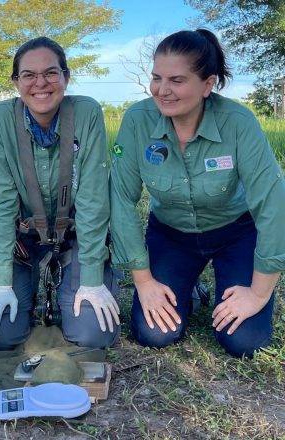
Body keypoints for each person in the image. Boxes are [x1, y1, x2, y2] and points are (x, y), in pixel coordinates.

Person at [110, 29, 285, 357]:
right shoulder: (137, 121)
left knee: (244, 341)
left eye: (177, 80)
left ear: (208, 85)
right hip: (171, 235)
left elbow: (273, 205)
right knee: (154, 333)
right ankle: (187, 289)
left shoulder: (238, 122)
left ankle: (224, 284)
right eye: (157, 78)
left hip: (235, 232)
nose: (162, 90)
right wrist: (144, 282)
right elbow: (121, 199)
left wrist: (258, 294)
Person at [0, 36, 121, 351]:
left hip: (75, 234)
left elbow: (93, 202)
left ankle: (73, 275)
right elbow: (1, 205)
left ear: (66, 77)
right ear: (16, 81)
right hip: (22, 236)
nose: (40, 83)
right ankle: (22, 286)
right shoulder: (1, 118)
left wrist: (92, 279)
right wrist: (0, 281)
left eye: (51, 73)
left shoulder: (87, 113)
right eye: (28, 75)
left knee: (93, 334)